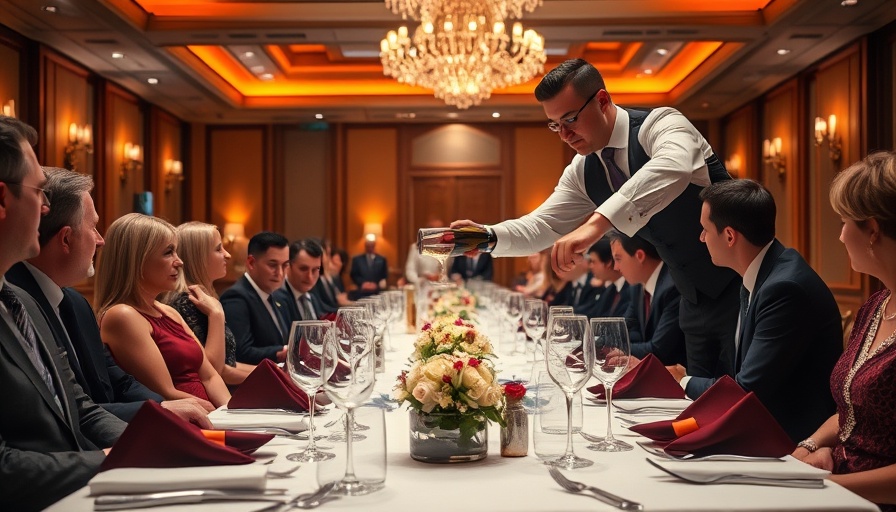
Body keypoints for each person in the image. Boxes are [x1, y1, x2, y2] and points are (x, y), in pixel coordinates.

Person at [452, 58, 740, 380]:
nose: (563, 134)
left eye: (570, 119)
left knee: (749, 403)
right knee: (701, 404)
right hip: (692, 299)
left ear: (602, 101)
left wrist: (597, 223)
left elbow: (674, 167)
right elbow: (543, 224)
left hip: (740, 288)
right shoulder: (583, 169)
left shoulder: (661, 125)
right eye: (554, 125)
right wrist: (487, 237)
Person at [7, 167, 212, 423]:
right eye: (94, 227)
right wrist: (162, 414)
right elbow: (66, 414)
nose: (101, 240)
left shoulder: (75, 302)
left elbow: (119, 381)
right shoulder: (15, 302)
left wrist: (165, 407)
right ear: (66, 239)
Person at [0, 116, 125, 510]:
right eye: (39, 190)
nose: (47, 206)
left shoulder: (22, 300)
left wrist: (149, 443)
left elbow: (79, 408)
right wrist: (112, 463)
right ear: (3, 199)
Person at [668, 179, 841, 442]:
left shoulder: (784, 288)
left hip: (790, 440)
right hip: (761, 425)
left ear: (729, 236)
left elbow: (748, 389)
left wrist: (683, 380)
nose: (701, 238)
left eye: (705, 229)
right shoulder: (763, 273)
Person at [794, 151, 896, 509]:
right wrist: (812, 446)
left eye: (843, 222)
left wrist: (831, 489)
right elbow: (853, 410)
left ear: (871, 229)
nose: (839, 236)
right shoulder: (875, 306)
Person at [95, 214, 231, 408]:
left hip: (210, 415)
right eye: (168, 252)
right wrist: (219, 421)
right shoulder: (122, 315)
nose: (180, 262)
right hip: (181, 423)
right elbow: (165, 393)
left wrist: (231, 414)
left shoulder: (169, 312)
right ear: (137, 261)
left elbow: (210, 376)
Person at [167, 221, 254, 386]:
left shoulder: (204, 297)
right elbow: (215, 371)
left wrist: (276, 371)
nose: (227, 255)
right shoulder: (186, 302)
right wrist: (217, 315)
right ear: (197, 257)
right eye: (218, 249)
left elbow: (229, 363)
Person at [606, 230, 686, 366]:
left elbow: (659, 349)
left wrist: (615, 348)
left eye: (618, 259)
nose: (615, 267)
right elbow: (626, 330)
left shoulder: (673, 287)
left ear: (640, 256)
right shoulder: (636, 288)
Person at [221, 231, 291, 364]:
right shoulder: (236, 298)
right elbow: (240, 353)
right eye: (273, 265)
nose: (280, 273)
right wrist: (281, 351)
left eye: (285, 265)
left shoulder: (277, 295)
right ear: (251, 263)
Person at [279, 238, 326, 322]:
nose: (310, 277)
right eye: (303, 269)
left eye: (315, 269)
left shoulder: (312, 298)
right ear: (288, 266)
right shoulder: (276, 299)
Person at [585, 237, 631, 318]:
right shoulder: (610, 289)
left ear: (608, 263)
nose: (590, 266)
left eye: (593, 261)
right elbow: (594, 315)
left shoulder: (632, 289)